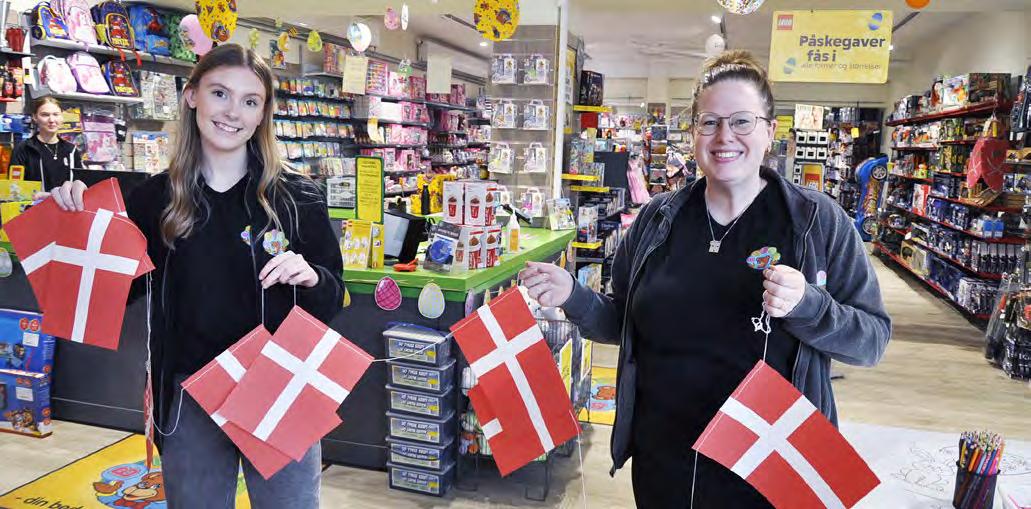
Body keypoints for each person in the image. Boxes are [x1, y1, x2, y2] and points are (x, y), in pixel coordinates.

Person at [520, 50, 891, 508]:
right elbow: (621, 320)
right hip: (664, 460)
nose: (724, 136)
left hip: (770, 470)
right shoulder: (658, 219)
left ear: (769, 131)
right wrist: (573, 296)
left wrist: (809, 306)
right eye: (709, 122)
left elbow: (872, 340)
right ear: (694, 132)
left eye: (741, 121)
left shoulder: (817, 221)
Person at [45, 44, 343, 508]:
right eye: (220, 93)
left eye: (250, 100)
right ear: (191, 96)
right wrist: (78, 221)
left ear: (263, 113)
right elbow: (110, 293)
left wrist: (312, 279)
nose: (233, 112)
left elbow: (333, 296)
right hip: (190, 394)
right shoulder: (153, 200)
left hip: (280, 386)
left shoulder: (296, 198)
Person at [10, 96, 81, 193]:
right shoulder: (23, 149)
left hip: (66, 203)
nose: (51, 120)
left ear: (62, 117)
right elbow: (14, 188)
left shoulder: (71, 150)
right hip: (35, 203)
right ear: (35, 117)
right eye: (45, 115)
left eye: (56, 114)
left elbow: (79, 184)